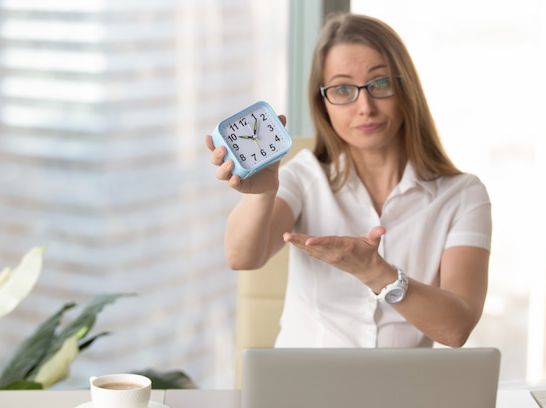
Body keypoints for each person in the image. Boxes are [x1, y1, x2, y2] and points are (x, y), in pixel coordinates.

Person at [206, 12, 491, 349]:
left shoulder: (463, 195)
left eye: (380, 84)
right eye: (343, 89)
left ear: (405, 90)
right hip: (303, 391)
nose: (365, 107)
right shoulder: (305, 175)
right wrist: (262, 193)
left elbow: (456, 329)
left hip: (400, 395)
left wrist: (375, 271)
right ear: (322, 103)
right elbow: (241, 257)